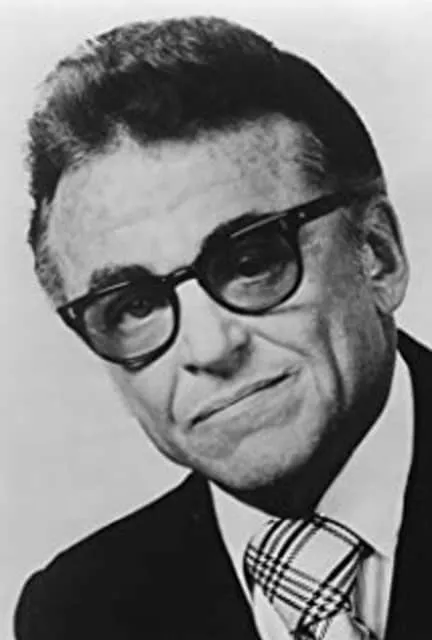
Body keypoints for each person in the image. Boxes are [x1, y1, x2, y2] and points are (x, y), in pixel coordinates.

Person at [13, 15, 432, 640]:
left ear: (377, 255)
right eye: (135, 305)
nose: (210, 348)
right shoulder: (78, 613)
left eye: (251, 263)